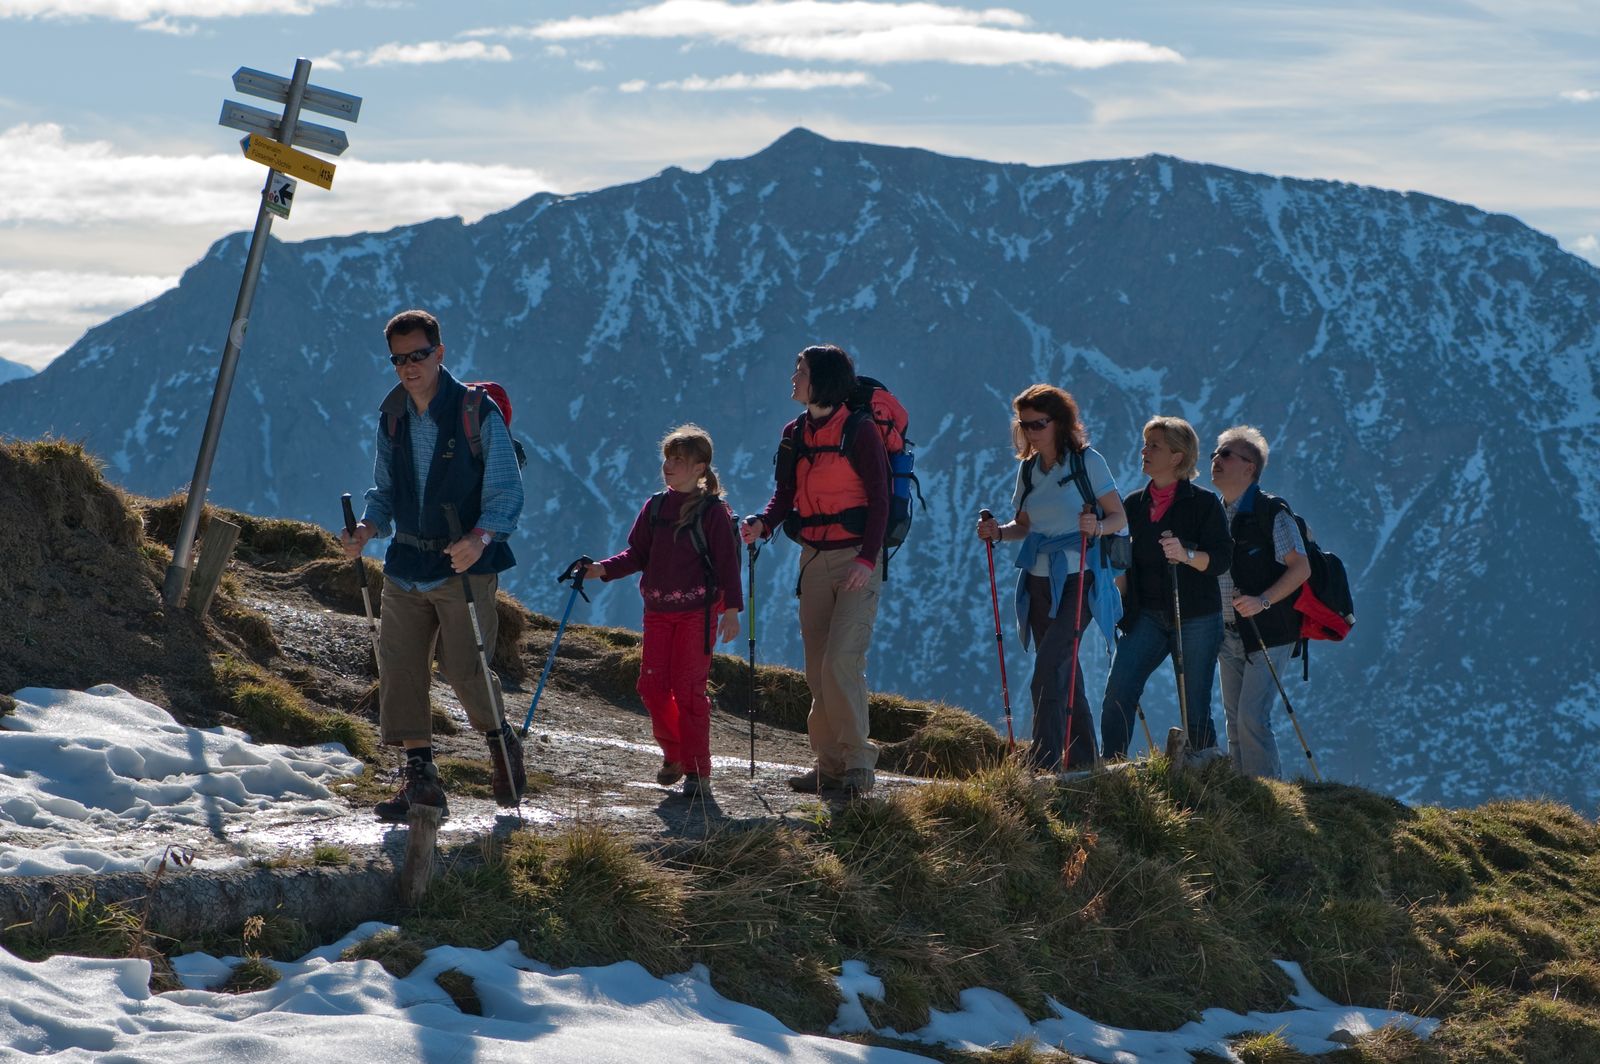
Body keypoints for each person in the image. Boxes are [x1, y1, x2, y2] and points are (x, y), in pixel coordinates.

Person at [341, 308, 526, 822]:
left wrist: (480, 538)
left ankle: (500, 741)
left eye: (418, 355)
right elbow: (384, 490)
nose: (408, 366)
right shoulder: (392, 415)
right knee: (399, 667)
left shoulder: (475, 411)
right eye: (399, 359)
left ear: (440, 353)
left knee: (465, 667)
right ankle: (420, 779)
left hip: (464, 565)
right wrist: (367, 530)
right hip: (405, 561)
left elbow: (507, 492)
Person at [741, 344, 889, 798]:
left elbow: (881, 499)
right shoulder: (795, 433)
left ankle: (859, 767)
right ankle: (828, 766)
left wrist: (867, 559)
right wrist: (764, 522)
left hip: (857, 559)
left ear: (821, 379)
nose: (793, 377)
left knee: (841, 661)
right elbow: (784, 494)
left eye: (799, 370)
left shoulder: (860, 431)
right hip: (813, 558)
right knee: (816, 669)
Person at [584, 425, 743, 799]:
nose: (669, 466)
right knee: (652, 687)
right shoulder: (655, 506)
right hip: (657, 611)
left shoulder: (714, 512)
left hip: (697, 615)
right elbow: (637, 555)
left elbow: (727, 566)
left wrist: (731, 611)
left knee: (689, 691)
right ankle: (675, 755)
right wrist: (600, 569)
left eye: (679, 460)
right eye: (668, 458)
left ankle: (697, 772)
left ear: (700, 467)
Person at [976, 385, 1126, 771]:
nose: (1030, 432)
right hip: (1039, 581)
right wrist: (999, 532)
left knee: (1048, 669)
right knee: (1064, 672)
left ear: (1060, 422)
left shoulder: (1087, 462)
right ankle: (1083, 763)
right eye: (1024, 424)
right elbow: (1024, 526)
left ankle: (1042, 762)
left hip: (1080, 579)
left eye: (1038, 424)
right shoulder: (1028, 470)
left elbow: (1119, 517)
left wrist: (1095, 527)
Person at [1101, 416, 1231, 760]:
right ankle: (1109, 767)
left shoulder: (1204, 504)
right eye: (1145, 444)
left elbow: (1220, 560)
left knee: (1195, 705)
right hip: (1146, 615)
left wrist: (1185, 555)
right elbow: (1122, 561)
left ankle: (1207, 770)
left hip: (1197, 618)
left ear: (1177, 456)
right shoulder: (1132, 505)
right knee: (1119, 690)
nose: (1144, 451)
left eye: (1153, 445)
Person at [1210, 425, 1310, 779]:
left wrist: (1263, 601)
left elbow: (1301, 568)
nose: (1215, 461)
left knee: (1251, 717)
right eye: (1215, 454)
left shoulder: (1272, 512)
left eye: (1224, 454)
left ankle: (1268, 800)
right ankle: (1246, 796)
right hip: (1227, 631)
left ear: (1249, 467)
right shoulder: (1214, 512)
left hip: (1269, 630)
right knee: (1235, 720)